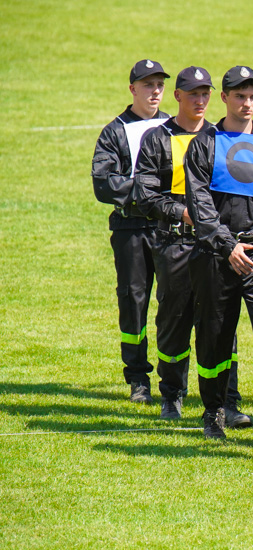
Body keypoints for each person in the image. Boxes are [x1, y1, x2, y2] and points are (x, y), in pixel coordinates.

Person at [132, 66, 250, 426]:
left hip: (216, 246)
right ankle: (172, 395)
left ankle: (227, 400)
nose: (200, 101)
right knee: (175, 319)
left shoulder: (221, 138)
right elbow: (145, 194)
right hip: (175, 243)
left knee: (221, 324)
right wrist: (183, 212)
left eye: (205, 94)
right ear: (177, 96)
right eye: (192, 94)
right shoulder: (157, 138)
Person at [184, 66, 253, 444]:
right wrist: (228, 246)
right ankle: (214, 412)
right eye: (240, 96)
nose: (247, 103)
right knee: (214, 337)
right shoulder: (204, 143)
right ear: (224, 98)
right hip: (216, 255)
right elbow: (200, 203)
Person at [92, 59, 170, 403]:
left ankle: (173, 380)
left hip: (169, 230)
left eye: (159, 85)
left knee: (174, 305)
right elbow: (103, 183)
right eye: (147, 85)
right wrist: (147, 192)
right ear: (132, 89)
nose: (155, 91)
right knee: (133, 302)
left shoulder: (173, 126)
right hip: (130, 228)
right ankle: (138, 378)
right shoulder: (115, 131)